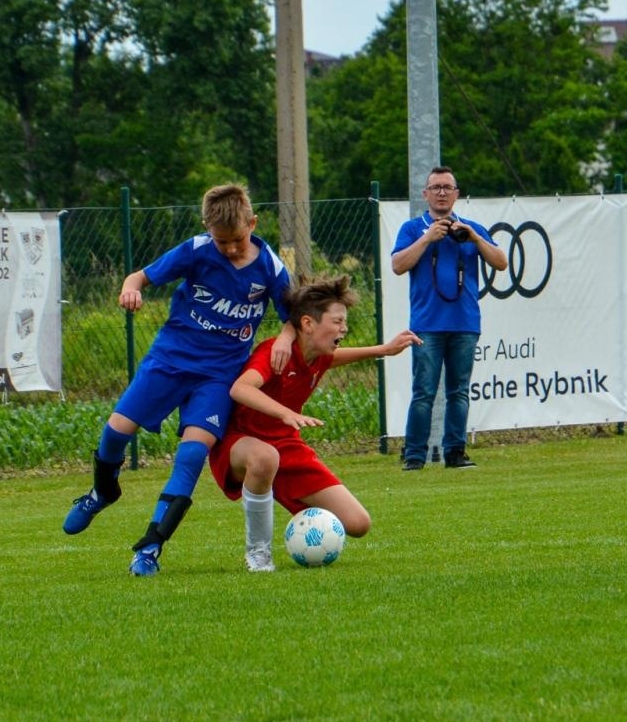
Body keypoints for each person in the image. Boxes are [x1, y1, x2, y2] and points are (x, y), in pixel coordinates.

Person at [62, 183, 294, 576]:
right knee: (117, 431)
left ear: (252, 223)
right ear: (207, 229)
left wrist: (286, 337)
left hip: (219, 375)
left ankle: (150, 548)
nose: (232, 248)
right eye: (223, 242)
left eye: (238, 239)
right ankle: (103, 491)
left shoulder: (270, 266)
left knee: (191, 455)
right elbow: (138, 277)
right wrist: (129, 291)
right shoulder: (197, 250)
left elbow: (291, 316)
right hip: (169, 360)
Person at [211, 274, 421, 571]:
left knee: (358, 523)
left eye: (344, 322)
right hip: (240, 442)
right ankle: (258, 553)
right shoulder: (275, 351)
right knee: (264, 456)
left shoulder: (319, 354)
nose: (344, 328)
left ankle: (295, 515)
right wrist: (285, 413)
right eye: (337, 321)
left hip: (286, 445)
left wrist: (383, 350)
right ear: (308, 323)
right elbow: (240, 389)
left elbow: (336, 358)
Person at [391, 165, 508, 470]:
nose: (441, 193)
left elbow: (501, 262)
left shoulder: (470, 228)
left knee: (459, 391)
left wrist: (474, 239)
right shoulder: (412, 228)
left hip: (464, 324)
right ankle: (414, 455)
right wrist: (428, 238)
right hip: (427, 325)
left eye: (447, 188)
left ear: (457, 194)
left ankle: (455, 452)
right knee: (424, 392)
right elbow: (398, 265)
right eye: (436, 188)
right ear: (425, 194)